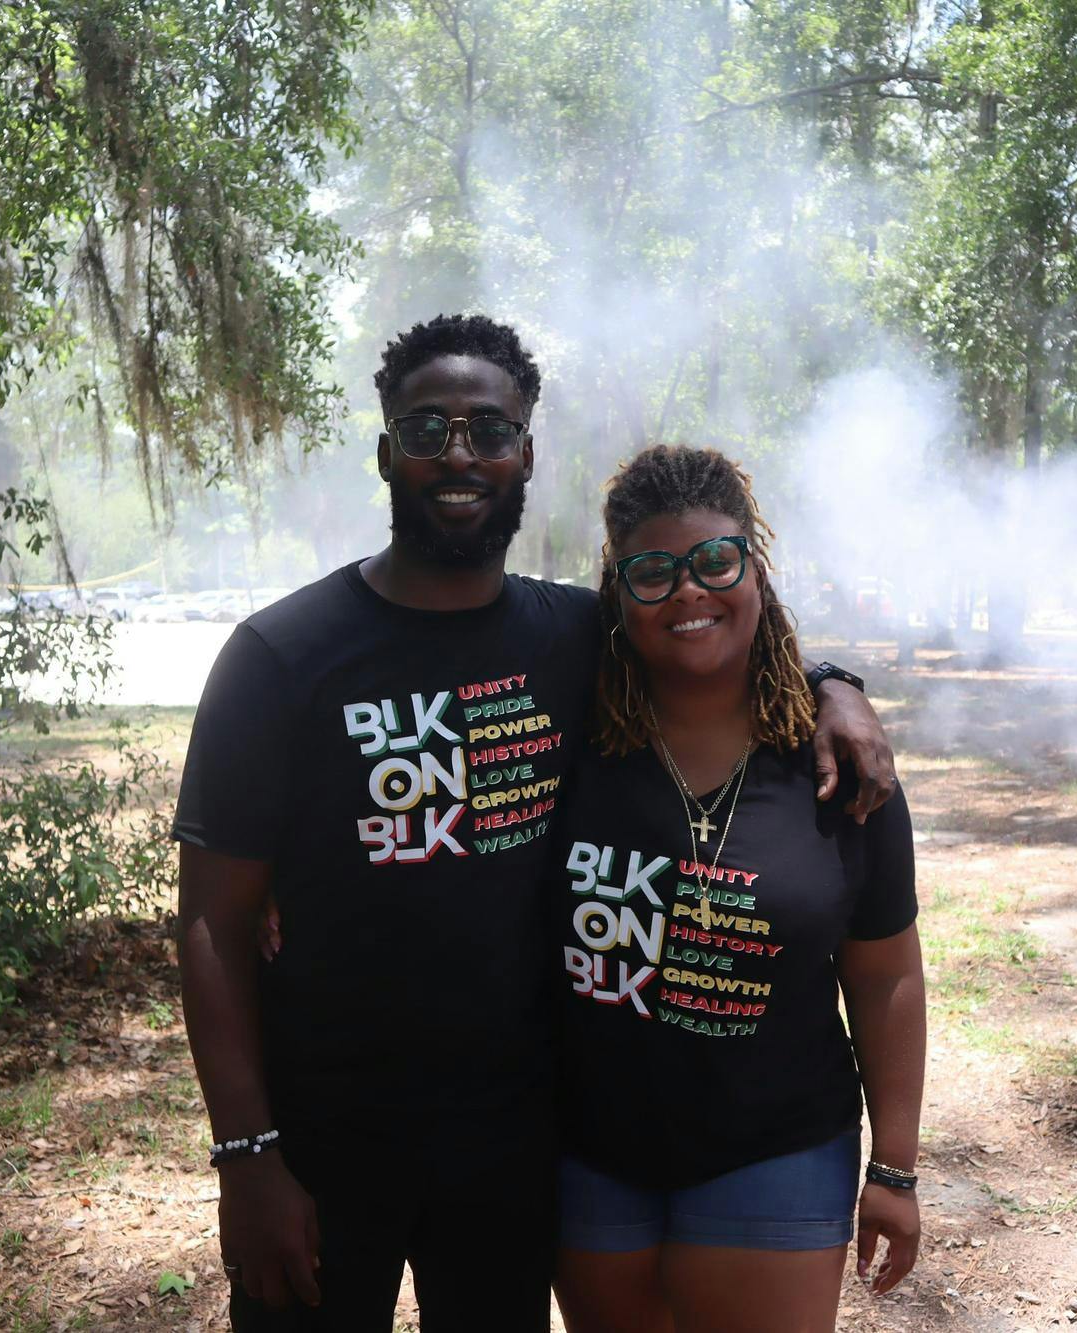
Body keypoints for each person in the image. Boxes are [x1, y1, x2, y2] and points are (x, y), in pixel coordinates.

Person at [171, 314, 899, 1332]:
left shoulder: (570, 634)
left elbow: (703, 616)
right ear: (386, 453)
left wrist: (834, 682)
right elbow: (209, 921)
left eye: (486, 429)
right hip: (324, 1141)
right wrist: (246, 1158)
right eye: (426, 430)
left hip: (514, 1151)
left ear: (524, 453)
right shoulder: (281, 658)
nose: (457, 453)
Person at [552, 445, 926, 1333]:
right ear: (617, 591)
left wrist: (897, 1167)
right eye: (653, 572)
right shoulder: (567, 739)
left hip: (778, 1149)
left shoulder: (842, 767)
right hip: (588, 1153)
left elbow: (885, 976)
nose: (688, 591)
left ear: (754, 567)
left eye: (715, 560)